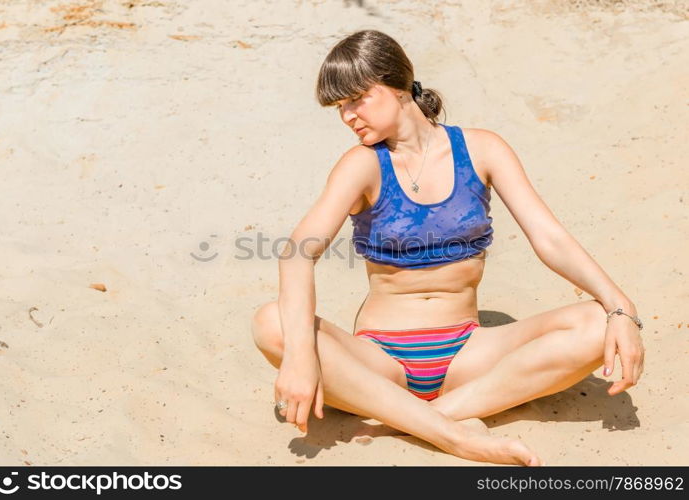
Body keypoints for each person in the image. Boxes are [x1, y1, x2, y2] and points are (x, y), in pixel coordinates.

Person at [250, 29, 645, 466]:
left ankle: (424, 419)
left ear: (397, 86)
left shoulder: (481, 149)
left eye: (356, 99)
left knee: (596, 323)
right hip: (380, 363)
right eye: (339, 106)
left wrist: (620, 307)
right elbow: (298, 253)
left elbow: (548, 237)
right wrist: (302, 359)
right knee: (272, 323)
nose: (347, 116)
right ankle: (456, 436)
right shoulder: (362, 164)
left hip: (468, 359)